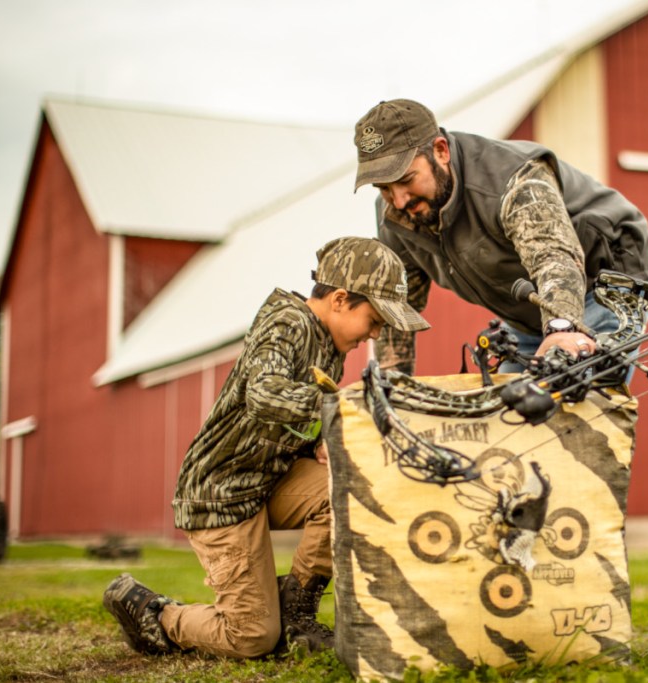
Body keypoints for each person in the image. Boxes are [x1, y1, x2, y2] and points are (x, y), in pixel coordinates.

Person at [102, 236, 429, 658]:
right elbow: (264, 394)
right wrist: (340, 408)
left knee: (350, 486)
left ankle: (297, 613)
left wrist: (317, 443)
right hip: (222, 494)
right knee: (252, 636)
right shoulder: (285, 322)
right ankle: (156, 614)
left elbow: (293, 422)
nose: (377, 333)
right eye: (375, 318)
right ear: (342, 299)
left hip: (268, 480)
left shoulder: (331, 346)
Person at [353, 98, 648, 375]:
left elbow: (553, 257)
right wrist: (392, 387)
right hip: (528, 313)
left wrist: (563, 330)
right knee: (509, 416)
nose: (399, 200)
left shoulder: (513, 180)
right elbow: (398, 304)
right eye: (384, 188)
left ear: (440, 151)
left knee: (572, 401)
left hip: (604, 282)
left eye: (406, 180)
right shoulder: (396, 216)